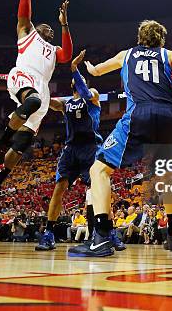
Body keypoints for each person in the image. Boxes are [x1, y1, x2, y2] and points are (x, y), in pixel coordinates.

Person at [69, 20, 172, 257]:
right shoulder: (168, 55)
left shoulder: (126, 54)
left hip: (140, 112)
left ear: (139, 38)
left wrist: (87, 66)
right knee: (165, 174)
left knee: (98, 171)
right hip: (170, 117)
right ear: (161, 39)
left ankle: (100, 237)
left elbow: (97, 70)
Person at [0, 0, 73, 207]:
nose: (47, 29)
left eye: (51, 28)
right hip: (24, 75)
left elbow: (67, 55)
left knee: (21, 148)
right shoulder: (27, 32)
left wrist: (65, 24)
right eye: (44, 26)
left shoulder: (55, 50)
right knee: (32, 101)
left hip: (42, 89)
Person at [35, 51, 111, 250]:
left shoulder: (92, 95)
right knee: (59, 187)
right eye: (79, 80)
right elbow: (47, 102)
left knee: (95, 189)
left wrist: (75, 69)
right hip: (71, 150)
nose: (83, 82)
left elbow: (87, 93)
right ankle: (49, 233)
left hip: (91, 148)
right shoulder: (66, 103)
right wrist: (37, 85)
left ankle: (101, 232)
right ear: (72, 85)